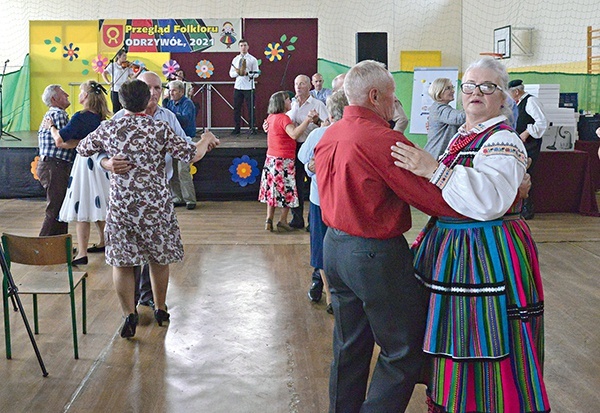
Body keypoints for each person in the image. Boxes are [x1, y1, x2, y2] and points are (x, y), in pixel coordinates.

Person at [391, 57, 550, 413]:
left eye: (487, 86)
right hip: (456, 247)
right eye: (469, 86)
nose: (476, 92)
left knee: (483, 332)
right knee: (455, 332)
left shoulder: (503, 140)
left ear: (503, 96)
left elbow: (491, 200)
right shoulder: (468, 135)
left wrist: (434, 169)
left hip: (486, 252)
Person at [314, 60, 461, 412]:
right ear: (375, 95)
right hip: (373, 254)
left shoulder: (330, 133)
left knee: (349, 346)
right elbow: (429, 197)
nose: (395, 105)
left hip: (333, 248)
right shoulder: (382, 139)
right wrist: (486, 204)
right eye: (393, 97)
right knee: (402, 350)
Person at [77, 79, 219, 339]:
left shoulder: (109, 127)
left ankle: (129, 314)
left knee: (122, 263)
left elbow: (82, 148)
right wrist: (206, 139)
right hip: (155, 205)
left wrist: (107, 160)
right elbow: (191, 155)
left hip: (122, 205)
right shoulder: (159, 129)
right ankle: (161, 308)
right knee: (158, 258)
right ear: (146, 101)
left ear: (121, 102)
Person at [99, 71, 197, 310]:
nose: (154, 93)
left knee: (145, 258)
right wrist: (107, 163)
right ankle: (147, 308)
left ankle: (140, 306)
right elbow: (189, 151)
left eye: (157, 88)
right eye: (148, 89)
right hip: (147, 201)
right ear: (140, 93)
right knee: (141, 259)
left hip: (145, 198)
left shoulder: (166, 118)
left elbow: (83, 147)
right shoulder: (124, 122)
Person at [43, 80, 112, 266]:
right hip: (100, 164)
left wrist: (52, 127)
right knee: (99, 205)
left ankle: (82, 253)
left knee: (83, 205)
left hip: (85, 164)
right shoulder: (100, 117)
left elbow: (60, 140)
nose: (78, 95)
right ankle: (107, 242)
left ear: (86, 96)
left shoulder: (80, 117)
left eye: (81, 92)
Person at [298, 90, 348, 314]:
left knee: (322, 249)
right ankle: (333, 292)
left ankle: (330, 295)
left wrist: (311, 167)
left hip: (322, 201)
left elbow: (305, 161)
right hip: (340, 201)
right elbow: (306, 162)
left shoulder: (319, 134)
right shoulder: (325, 133)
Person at [259, 91, 317, 232]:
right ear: (281, 103)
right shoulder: (284, 118)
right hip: (284, 160)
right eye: (287, 99)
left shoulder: (271, 117)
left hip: (271, 158)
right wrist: (308, 120)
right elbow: (294, 134)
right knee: (287, 190)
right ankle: (283, 220)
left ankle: (269, 219)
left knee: (272, 190)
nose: (290, 101)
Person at [287, 74, 329, 229]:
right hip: (294, 147)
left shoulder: (317, 104)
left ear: (309, 87)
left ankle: (313, 221)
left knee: (313, 184)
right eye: (296, 83)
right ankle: (296, 219)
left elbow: (327, 126)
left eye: (302, 84)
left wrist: (316, 121)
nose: (298, 87)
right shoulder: (291, 105)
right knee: (296, 184)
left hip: (312, 148)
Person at [508, 79, 548, 220]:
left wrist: (526, 132)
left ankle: (527, 209)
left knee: (526, 173)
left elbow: (542, 123)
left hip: (530, 145)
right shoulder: (517, 104)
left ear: (517, 92)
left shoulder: (531, 102)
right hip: (520, 144)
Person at [37, 84, 73, 236]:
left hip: (51, 165)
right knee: (55, 209)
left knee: (59, 208)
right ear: (54, 99)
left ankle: (59, 248)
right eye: (63, 94)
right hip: (55, 166)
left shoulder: (52, 115)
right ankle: (40, 248)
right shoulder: (59, 115)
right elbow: (68, 139)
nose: (67, 95)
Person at [165, 80, 198, 210]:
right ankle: (177, 197)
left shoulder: (188, 104)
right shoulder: (170, 103)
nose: (171, 93)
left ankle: (190, 199)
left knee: (183, 170)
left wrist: (171, 114)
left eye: (174, 90)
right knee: (172, 170)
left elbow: (185, 120)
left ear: (181, 92)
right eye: (170, 90)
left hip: (185, 140)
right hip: (173, 140)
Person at [424, 78, 466, 159]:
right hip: (436, 155)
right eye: (448, 88)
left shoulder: (440, 108)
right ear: (439, 92)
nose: (453, 91)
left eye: (452, 87)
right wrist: (473, 106)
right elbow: (460, 118)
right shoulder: (439, 108)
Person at [229, 39, 259, 135]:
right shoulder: (235, 59)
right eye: (241, 45)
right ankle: (237, 128)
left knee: (250, 108)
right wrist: (238, 73)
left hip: (249, 87)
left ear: (248, 47)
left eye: (245, 45)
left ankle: (252, 127)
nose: (243, 47)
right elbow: (231, 74)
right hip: (238, 86)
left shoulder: (252, 59)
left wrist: (247, 73)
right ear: (239, 47)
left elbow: (257, 73)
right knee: (237, 108)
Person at [102, 48, 135, 113]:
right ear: (118, 56)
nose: (125, 58)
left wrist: (138, 72)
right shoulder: (113, 65)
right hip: (115, 90)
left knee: (125, 109)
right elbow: (104, 73)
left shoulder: (127, 66)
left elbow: (132, 77)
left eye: (126, 56)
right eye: (124, 56)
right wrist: (108, 82)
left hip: (125, 90)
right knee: (116, 109)